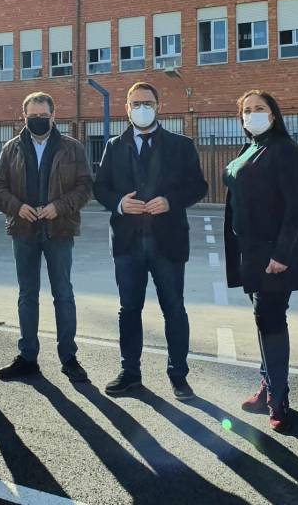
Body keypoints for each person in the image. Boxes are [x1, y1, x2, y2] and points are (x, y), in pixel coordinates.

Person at [93, 82, 208, 400]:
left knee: (174, 309)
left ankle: (179, 375)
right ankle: (130, 373)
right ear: (126, 108)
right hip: (128, 244)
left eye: (148, 102)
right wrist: (119, 203)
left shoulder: (180, 145)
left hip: (167, 243)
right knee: (129, 309)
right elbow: (100, 187)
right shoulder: (114, 146)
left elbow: (198, 186)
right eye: (135, 103)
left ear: (158, 106)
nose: (142, 108)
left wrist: (171, 201)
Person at [222, 89, 298, 432]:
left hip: (274, 256)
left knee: (272, 320)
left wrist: (282, 254)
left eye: (259, 108)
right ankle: (267, 387)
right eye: (246, 110)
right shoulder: (252, 147)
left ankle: (279, 398)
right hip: (251, 252)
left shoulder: (284, 151)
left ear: (273, 114)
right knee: (262, 318)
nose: (251, 114)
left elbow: (295, 208)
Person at [0, 92, 93, 383]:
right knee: (27, 296)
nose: (37, 120)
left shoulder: (72, 148)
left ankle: (69, 357)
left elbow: (85, 187)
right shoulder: (11, 149)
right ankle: (28, 356)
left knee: (63, 294)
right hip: (23, 232)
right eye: (32, 116)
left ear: (53, 115)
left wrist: (57, 207)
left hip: (59, 231)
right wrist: (17, 208)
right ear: (24, 117)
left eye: (42, 116)